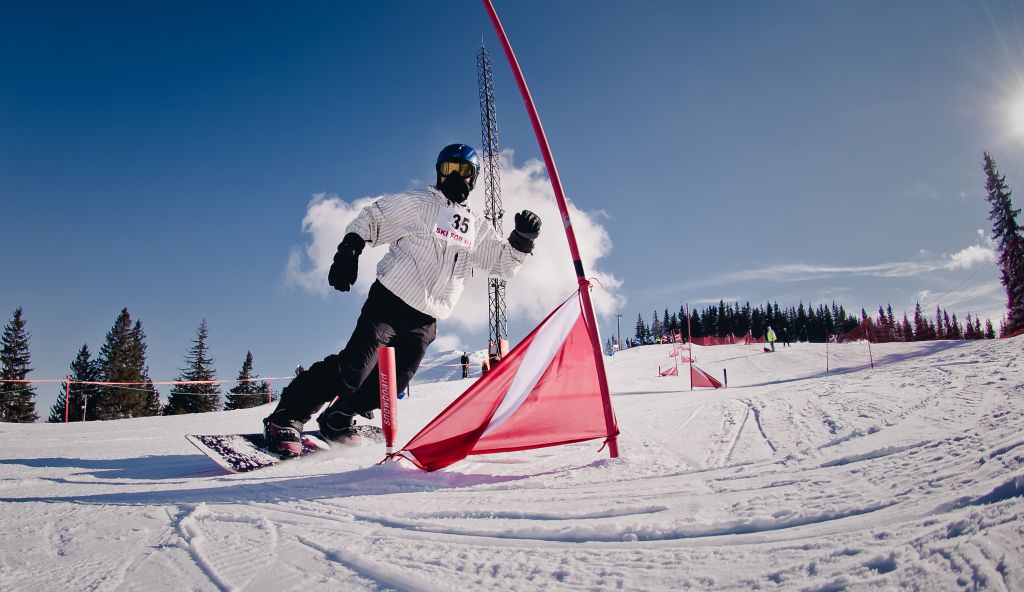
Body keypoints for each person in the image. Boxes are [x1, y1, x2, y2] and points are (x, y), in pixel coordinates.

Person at [263, 144, 541, 456]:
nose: (455, 177)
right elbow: (373, 218)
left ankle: (338, 418)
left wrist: (522, 239)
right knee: (352, 370)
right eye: (448, 169)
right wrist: (350, 249)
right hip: (390, 303)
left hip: (426, 318)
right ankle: (286, 417)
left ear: (473, 179)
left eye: (463, 172)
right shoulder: (420, 204)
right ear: (438, 172)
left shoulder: (475, 226)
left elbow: (501, 264)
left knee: (390, 387)